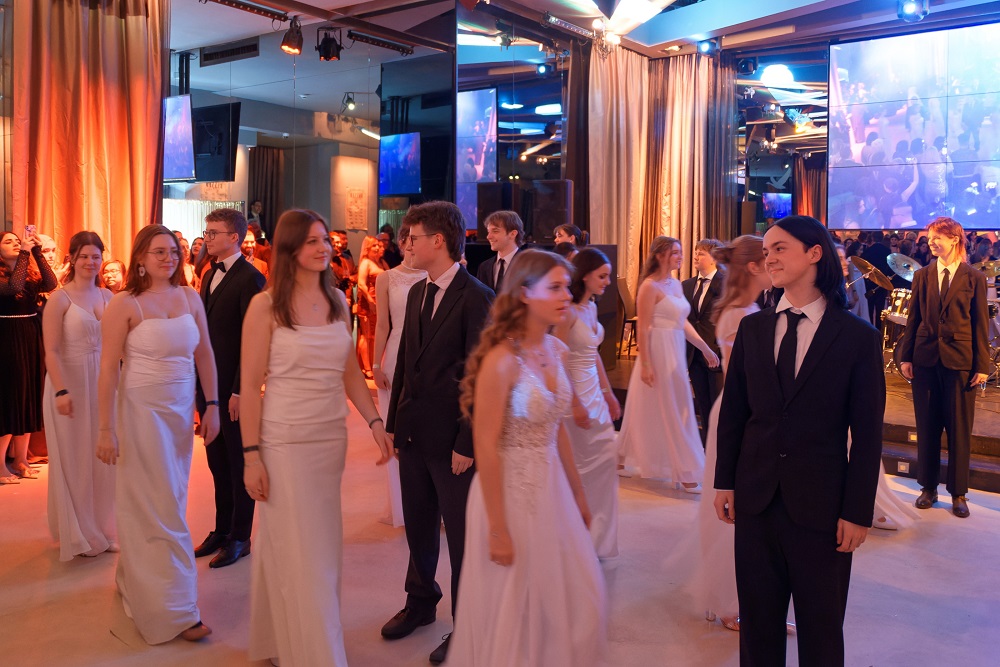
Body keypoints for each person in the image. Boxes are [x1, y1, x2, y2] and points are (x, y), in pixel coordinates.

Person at [714, 215, 885, 667]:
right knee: (758, 627)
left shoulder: (857, 338)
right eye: (765, 250)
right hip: (756, 500)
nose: (768, 258)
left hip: (823, 508)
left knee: (821, 630)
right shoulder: (753, 329)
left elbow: (867, 434)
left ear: (814, 253)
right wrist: (725, 480)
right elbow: (735, 413)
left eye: (779, 248)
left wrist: (857, 511)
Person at [240, 209, 391, 666]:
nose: (323, 248)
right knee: (302, 547)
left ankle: (278, 637)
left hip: (330, 438)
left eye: (325, 239)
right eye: (311, 241)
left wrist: (375, 422)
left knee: (313, 543)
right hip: (284, 440)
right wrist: (251, 457)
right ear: (289, 249)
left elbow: (349, 373)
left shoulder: (336, 302)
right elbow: (249, 385)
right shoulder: (265, 306)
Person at [449, 250, 607, 665]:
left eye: (566, 287)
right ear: (524, 293)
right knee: (515, 604)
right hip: (508, 492)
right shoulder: (501, 361)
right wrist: (498, 529)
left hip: (552, 487)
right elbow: (485, 445)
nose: (566, 295)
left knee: (579, 596)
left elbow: (557, 429)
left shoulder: (556, 349)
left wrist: (579, 493)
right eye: (554, 287)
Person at [380, 201, 494, 665]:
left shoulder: (476, 296)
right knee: (419, 525)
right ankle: (421, 601)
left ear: (439, 241)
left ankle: (466, 623)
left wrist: (467, 442)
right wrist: (394, 425)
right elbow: (406, 364)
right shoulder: (415, 292)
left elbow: (480, 376)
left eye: (413, 237)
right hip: (413, 433)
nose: (407, 244)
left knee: (462, 538)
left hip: (453, 442)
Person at [97, 224, 220, 644]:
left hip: (180, 415)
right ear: (140, 259)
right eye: (158, 252)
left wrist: (212, 405)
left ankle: (135, 578)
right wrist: (105, 429)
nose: (168, 258)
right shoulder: (124, 303)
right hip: (140, 413)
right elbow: (107, 371)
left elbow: (205, 353)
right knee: (159, 505)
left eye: (172, 251)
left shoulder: (189, 296)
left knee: (170, 498)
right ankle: (177, 609)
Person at [691, 235, 770, 632]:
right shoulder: (742, 314)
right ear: (754, 266)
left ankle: (741, 598)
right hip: (741, 413)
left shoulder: (745, 309)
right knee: (733, 508)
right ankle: (728, 602)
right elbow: (749, 376)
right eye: (770, 256)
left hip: (740, 409)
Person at [897, 217, 990, 519]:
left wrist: (982, 364)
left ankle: (958, 493)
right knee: (927, 427)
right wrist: (906, 356)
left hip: (960, 362)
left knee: (959, 430)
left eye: (938, 237)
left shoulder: (974, 277)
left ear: (955, 239)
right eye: (930, 237)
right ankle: (928, 487)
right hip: (925, 360)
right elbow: (913, 319)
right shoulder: (922, 275)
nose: (932, 242)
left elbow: (980, 324)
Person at [191, 208, 266, 569]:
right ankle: (221, 529)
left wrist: (239, 391)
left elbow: (254, 341)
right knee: (217, 463)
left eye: (213, 233)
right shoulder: (208, 274)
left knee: (238, 464)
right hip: (209, 386)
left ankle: (240, 536)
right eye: (206, 232)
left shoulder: (251, 278)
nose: (207, 238)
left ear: (234, 237)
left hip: (234, 390)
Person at [618, 236, 719, 489]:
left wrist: (705, 348)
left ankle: (620, 456)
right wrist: (646, 365)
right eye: (675, 252)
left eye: (680, 252)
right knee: (670, 408)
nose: (681, 257)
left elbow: (682, 322)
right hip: (657, 350)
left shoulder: (675, 284)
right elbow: (642, 328)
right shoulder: (649, 287)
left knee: (663, 406)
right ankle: (684, 471)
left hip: (674, 349)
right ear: (660, 255)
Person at [42, 231, 117, 560]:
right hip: (68, 383)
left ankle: (100, 527)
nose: (90, 262)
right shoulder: (59, 299)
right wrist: (60, 390)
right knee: (75, 458)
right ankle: (80, 532)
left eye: (96, 256)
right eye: (84, 256)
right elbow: (51, 351)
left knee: (102, 458)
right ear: (72, 258)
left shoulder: (108, 296)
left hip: (102, 382)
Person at [554, 247, 621, 559]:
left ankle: (596, 538)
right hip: (573, 396)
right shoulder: (566, 312)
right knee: (578, 469)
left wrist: (608, 393)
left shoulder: (591, 307)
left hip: (594, 393)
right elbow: (558, 360)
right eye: (602, 276)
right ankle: (574, 540)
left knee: (605, 462)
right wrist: (575, 403)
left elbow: (593, 354)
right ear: (585, 276)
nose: (607, 282)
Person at [373, 222, 427, 528]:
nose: (411, 246)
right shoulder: (386, 278)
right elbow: (383, 324)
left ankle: (427, 502)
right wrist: (376, 365)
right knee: (395, 429)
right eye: (409, 240)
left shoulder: (433, 275)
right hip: (394, 354)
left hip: (425, 355)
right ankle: (400, 506)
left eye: (416, 240)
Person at [0, 231, 58, 482]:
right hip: (7, 337)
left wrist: (36, 251)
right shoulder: (3, 277)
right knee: (10, 400)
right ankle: (1, 466)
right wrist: (24, 251)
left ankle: (21, 460)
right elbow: (13, 288)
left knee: (28, 398)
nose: (15, 244)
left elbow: (51, 283)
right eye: (8, 242)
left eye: (17, 240)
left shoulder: (29, 272)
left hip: (31, 336)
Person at [682, 238, 725, 445]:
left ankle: (719, 448)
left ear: (714, 258)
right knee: (703, 405)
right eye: (696, 252)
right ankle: (708, 448)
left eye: (701, 253)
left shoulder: (725, 284)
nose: (696, 256)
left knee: (719, 406)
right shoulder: (686, 285)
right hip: (693, 354)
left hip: (717, 353)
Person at [357, 235, 389, 378]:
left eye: (378, 245)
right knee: (367, 336)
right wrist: (370, 301)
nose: (377, 248)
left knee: (375, 336)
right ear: (367, 248)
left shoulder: (381, 262)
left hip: (380, 303)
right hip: (368, 304)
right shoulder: (366, 263)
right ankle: (366, 367)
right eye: (374, 245)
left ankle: (374, 364)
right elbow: (361, 284)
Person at [476, 210, 524, 293]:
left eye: (495, 231)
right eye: (488, 232)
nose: (488, 237)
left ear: (513, 234)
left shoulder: (529, 265)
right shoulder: (484, 267)